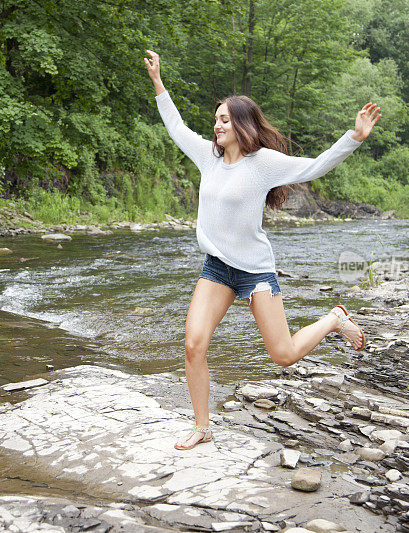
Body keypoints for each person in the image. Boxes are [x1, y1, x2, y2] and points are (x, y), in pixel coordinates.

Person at [143, 49, 380, 450]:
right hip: (217, 268)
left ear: (240, 124)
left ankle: (334, 320)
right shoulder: (208, 158)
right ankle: (202, 426)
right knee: (193, 343)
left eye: (223, 119)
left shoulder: (263, 163)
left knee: (284, 355)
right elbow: (177, 128)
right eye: (215, 119)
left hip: (254, 272)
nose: (216, 126)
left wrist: (352, 138)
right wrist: (158, 83)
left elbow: (313, 166)